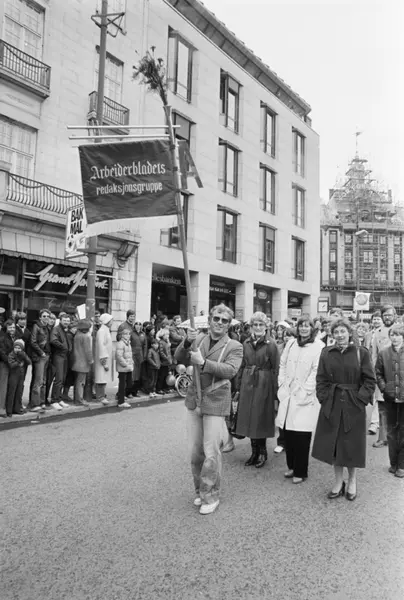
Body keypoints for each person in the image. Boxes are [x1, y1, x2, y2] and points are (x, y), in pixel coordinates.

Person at [175, 303, 243, 515]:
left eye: (224, 320)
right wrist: (187, 342)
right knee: (195, 452)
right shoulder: (199, 338)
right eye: (216, 319)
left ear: (229, 324)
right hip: (194, 400)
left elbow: (230, 370)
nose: (220, 323)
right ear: (210, 320)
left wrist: (203, 363)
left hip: (215, 400)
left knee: (211, 452)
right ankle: (200, 490)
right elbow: (179, 357)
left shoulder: (234, 346)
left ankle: (211, 494)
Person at [312, 318, 376, 501]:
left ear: (349, 332)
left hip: (353, 405)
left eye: (342, 331)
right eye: (336, 332)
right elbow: (321, 378)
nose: (339, 335)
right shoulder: (326, 352)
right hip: (332, 403)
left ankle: (352, 480)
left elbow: (370, 380)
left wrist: (360, 400)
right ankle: (338, 481)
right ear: (332, 334)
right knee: (334, 444)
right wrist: (323, 398)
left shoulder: (361, 353)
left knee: (351, 445)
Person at [277, 316, 324, 483]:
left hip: (305, 395)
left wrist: (306, 390)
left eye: (307, 326)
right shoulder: (291, 344)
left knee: (302, 435)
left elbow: (317, 370)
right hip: (288, 393)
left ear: (312, 328)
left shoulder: (319, 346)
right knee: (288, 433)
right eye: (301, 326)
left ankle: (301, 471)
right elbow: (282, 364)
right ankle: (291, 466)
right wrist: (282, 384)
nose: (304, 329)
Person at [234, 312, 279, 468]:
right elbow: (241, 365)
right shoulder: (246, 343)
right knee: (248, 417)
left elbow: (276, 368)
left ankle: (262, 452)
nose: (258, 327)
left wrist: (275, 391)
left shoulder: (271, 344)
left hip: (264, 382)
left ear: (266, 326)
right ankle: (254, 452)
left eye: (261, 324)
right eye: (255, 325)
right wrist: (238, 386)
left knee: (260, 417)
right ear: (251, 326)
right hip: (247, 381)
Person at [375, 323, 404, 478]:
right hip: (390, 397)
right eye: (392, 334)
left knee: (403, 431)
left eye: (398, 334)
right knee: (392, 432)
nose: (395, 337)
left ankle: (402, 465)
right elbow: (378, 372)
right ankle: (393, 463)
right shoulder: (383, 353)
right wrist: (384, 387)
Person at [369, 305, 396, 445]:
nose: (387, 317)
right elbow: (374, 355)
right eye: (385, 315)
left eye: (390, 315)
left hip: (398, 375)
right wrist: (374, 374)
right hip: (382, 376)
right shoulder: (377, 333)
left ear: (395, 316)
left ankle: (396, 439)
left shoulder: (400, 330)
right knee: (382, 407)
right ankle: (383, 438)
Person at [30, 309, 51, 412]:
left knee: (43, 381)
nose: (46, 318)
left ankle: (42, 402)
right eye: (44, 316)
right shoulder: (36, 326)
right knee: (38, 381)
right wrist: (41, 352)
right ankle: (35, 404)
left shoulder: (47, 327)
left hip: (46, 355)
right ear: (40, 317)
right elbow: (33, 342)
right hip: (40, 356)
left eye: (47, 316)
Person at [50, 312, 72, 410]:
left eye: (68, 321)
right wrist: (64, 347)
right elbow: (53, 340)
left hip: (64, 356)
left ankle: (59, 398)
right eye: (65, 320)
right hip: (59, 355)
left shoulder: (64, 329)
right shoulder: (56, 329)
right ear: (60, 320)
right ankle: (54, 400)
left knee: (62, 378)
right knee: (58, 379)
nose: (66, 322)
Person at [71, 319, 93, 407]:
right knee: (81, 382)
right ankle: (79, 400)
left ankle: (77, 399)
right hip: (83, 362)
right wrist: (91, 360)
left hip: (76, 360)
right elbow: (88, 351)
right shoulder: (86, 337)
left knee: (77, 381)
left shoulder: (77, 335)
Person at [7, 339, 31, 416]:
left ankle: (17, 409)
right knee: (12, 392)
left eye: (19, 348)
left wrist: (24, 356)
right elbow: (11, 365)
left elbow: (29, 362)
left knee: (19, 392)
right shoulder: (11, 354)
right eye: (16, 347)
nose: (17, 349)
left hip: (21, 375)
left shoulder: (23, 354)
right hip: (13, 375)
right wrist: (18, 361)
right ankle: (9, 410)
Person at [94, 313, 114, 405]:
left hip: (105, 359)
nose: (112, 322)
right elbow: (101, 346)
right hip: (102, 360)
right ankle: (100, 397)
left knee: (103, 378)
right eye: (111, 320)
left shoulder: (105, 330)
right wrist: (104, 362)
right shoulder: (102, 331)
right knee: (101, 378)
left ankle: (102, 395)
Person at [0, 319, 16, 417]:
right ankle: (1, 408)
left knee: (9, 386)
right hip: (4, 364)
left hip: (11, 364)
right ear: (6, 328)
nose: (12, 329)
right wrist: (10, 361)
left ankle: (6, 407)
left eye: (13, 327)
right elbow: (2, 352)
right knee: (3, 387)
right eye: (10, 327)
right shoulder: (2, 337)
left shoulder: (12, 337)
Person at [115, 328, 133, 409]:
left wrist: (131, 362)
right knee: (122, 384)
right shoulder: (120, 344)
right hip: (123, 367)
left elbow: (129, 355)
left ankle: (121, 396)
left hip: (128, 366)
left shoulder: (128, 343)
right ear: (122, 335)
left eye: (129, 334)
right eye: (126, 334)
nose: (128, 335)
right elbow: (119, 356)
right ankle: (121, 401)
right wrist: (125, 364)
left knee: (129, 383)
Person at [156, 328, 172, 395]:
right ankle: (159, 389)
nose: (168, 336)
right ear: (163, 335)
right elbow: (161, 352)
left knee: (165, 375)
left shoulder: (166, 342)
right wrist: (166, 358)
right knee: (161, 376)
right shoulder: (161, 342)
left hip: (167, 362)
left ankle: (165, 388)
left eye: (168, 334)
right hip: (163, 362)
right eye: (166, 334)